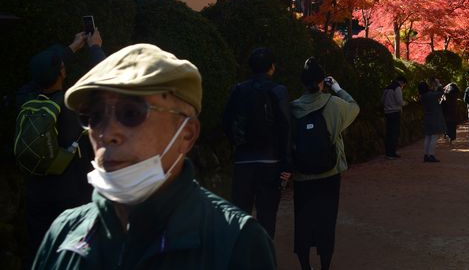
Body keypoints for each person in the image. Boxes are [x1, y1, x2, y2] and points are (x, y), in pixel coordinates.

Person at [33, 43, 276, 269]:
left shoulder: (236, 241)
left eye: (130, 113)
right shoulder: (63, 233)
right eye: (94, 117)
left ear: (187, 134)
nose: (107, 134)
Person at [16, 29, 105, 268]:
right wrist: (94, 47)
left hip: (36, 190)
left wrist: (71, 47)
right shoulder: (73, 106)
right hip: (71, 193)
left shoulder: (24, 99)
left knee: (38, 247)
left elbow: (37, 78)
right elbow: (104, 82)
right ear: (62, 73)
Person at [291, 57, 359, 270]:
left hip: (302, 175)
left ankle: (305, 266)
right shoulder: (334, 104)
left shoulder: (292, 108)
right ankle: (325, 266)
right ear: (323, 82)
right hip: (330, 174)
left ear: (302, 83)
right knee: (326, 221)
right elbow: (355, 107)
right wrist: (338, 88)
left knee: (302, 221)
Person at [222, 47, 291, 239]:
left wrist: (236, 143)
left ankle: (241, 257)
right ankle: (264, 257)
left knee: (241, 214)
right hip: (271, 161)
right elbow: (286, 127)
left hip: (243, 159)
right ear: (272, 67)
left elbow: (227, 122)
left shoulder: (238, 90)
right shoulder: (279, 91)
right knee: (267, 215)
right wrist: (287, 162)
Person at [419, 81, 446, 162]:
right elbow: (441, 92)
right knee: (433, 137)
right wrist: (438, 84)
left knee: (427, 137)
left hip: (427, 117)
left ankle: (426, 155)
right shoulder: (430, 95)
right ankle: (431, 154)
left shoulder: (423, 96)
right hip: (434, 118)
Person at [382, 75, 407, 159]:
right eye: (404, 84)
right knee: (394, 133)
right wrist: (405, 103)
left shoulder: (387, 88)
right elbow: (399, 101)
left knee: (389, 133)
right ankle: (391, 153)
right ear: (402, 82)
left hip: (387, 112)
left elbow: (382, 100)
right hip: (395, 112)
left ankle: (388, 152)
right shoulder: (397, 88)